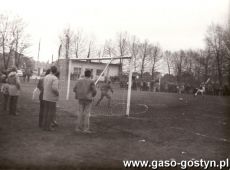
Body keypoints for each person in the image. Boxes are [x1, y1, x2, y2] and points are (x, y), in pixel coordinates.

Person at [42, 66, 59, 131]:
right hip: (51, 98)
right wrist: (58, 93)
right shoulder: (55, 78)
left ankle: (44, 126)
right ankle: (48, 127)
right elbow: (54, 88)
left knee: (45, 112)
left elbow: (44, 86)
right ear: (56, 71)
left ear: (51, 70)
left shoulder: (46, 77)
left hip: (45, 96)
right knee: (50, 112)